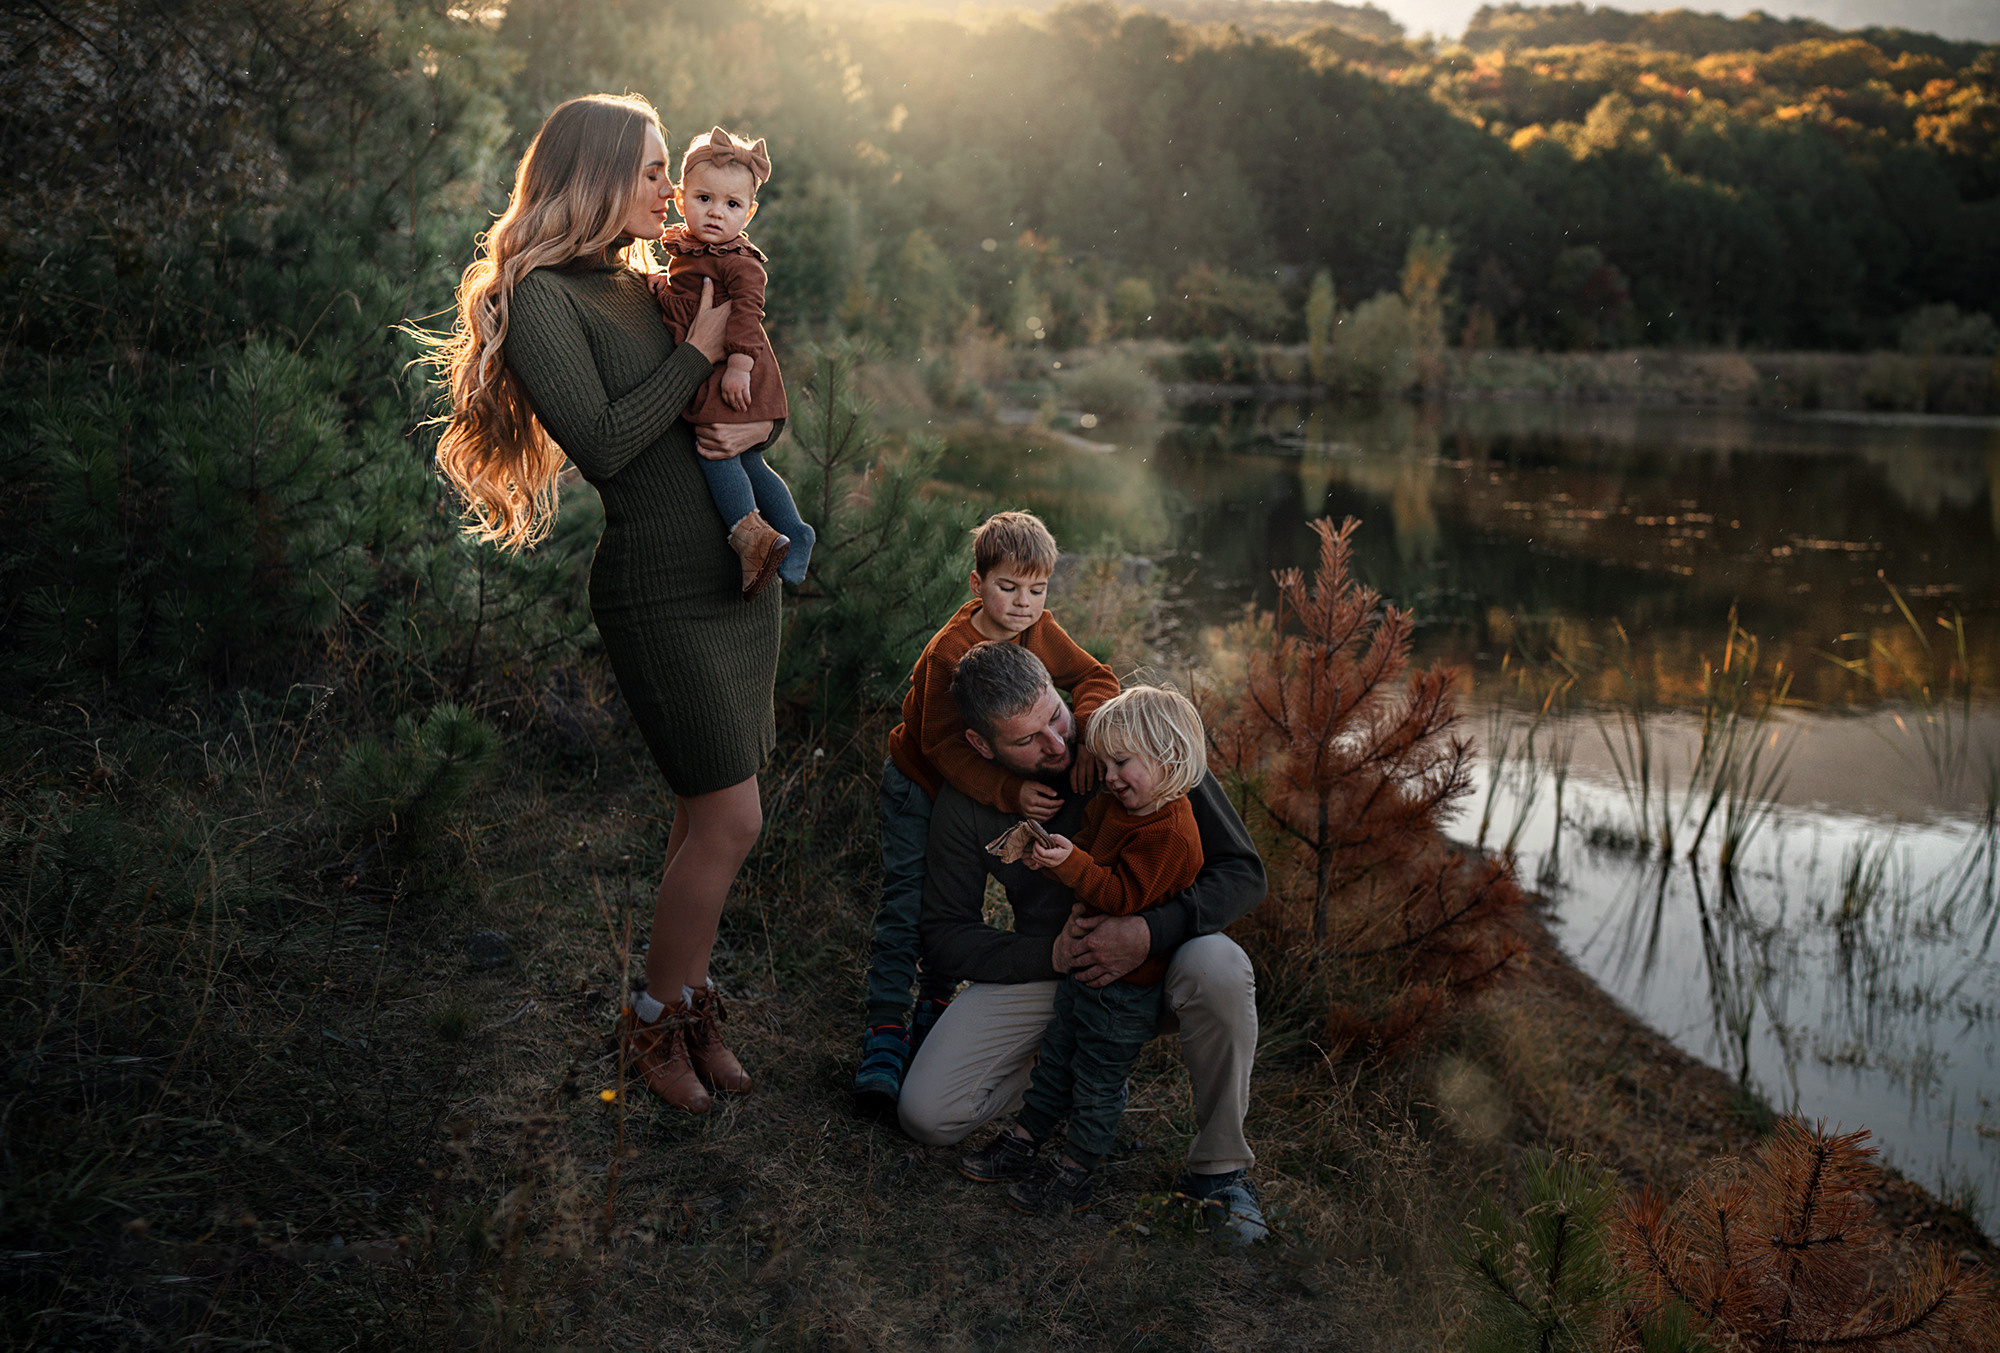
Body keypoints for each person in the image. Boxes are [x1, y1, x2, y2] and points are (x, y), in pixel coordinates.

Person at [426, 93, 780, 1116]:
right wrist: (696, 352)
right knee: (731, 818)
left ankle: (689, 1002)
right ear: (589, 177)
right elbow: (609, 442)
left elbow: (720, 408)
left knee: (700, 815)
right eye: (649, 171)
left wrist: (740, 393)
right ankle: (651, 1021)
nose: (667, 190)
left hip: (733, 578)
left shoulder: (653, 279)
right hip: (659, 588)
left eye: (671, 172)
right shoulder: (543, 297)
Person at [901, 643, 1272, 1242]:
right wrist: (1048, 955)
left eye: (1055, 715)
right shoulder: (968, 802)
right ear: (981, 746)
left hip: (1160, 962)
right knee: (926, 1114)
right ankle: (1078, 1077)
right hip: (1058, 972)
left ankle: (1220, 1171)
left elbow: (1243, 873)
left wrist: (1148, 931)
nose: (1056, 744)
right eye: (1025, 740)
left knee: (1222, 967)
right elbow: (944, 937)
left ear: (1056, 687)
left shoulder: (1130, 739)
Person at [854, 511, 1119, 1114]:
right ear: (977, 585)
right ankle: (885, 1030)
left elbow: (1095, 676)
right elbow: (945, 747)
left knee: (958, 900)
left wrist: (1090, 736)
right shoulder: (951, 651)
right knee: (909, 899)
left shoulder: (1038, 630)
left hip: (981, 780)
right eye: (1008, 587)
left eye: (1038, 589)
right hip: (921, 782)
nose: (1023, 604)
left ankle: (937, 1005)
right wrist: (1010, 794)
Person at [960, 686, 1207, 1215]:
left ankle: (1077, 1171)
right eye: (1106, 761)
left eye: (1122, 762)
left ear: (1169, 758)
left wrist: (1073, 865)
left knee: (1097, 1077)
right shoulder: (1120, 804)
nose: (1110, 775)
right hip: (1084, 968)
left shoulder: (1171, 833)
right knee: (1057, 1056)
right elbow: (1092, 850)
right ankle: (1026, 1140)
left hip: (1125, 989)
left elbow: (1121, 896)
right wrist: (1056, 855)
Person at [647, 126, 814, 600]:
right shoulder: (689, 251)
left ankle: (752, 541)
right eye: (704, 198)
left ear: (750, 212)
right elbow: (685, 299)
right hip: (721, 370)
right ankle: (795, 530)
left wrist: (740, 363)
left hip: (736, 372)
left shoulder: (740, 261)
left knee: (716, 453)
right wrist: (659, 287)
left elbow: (746, 312)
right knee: (748, 461)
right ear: (681, 200)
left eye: (732, 205)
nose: (716, 212)